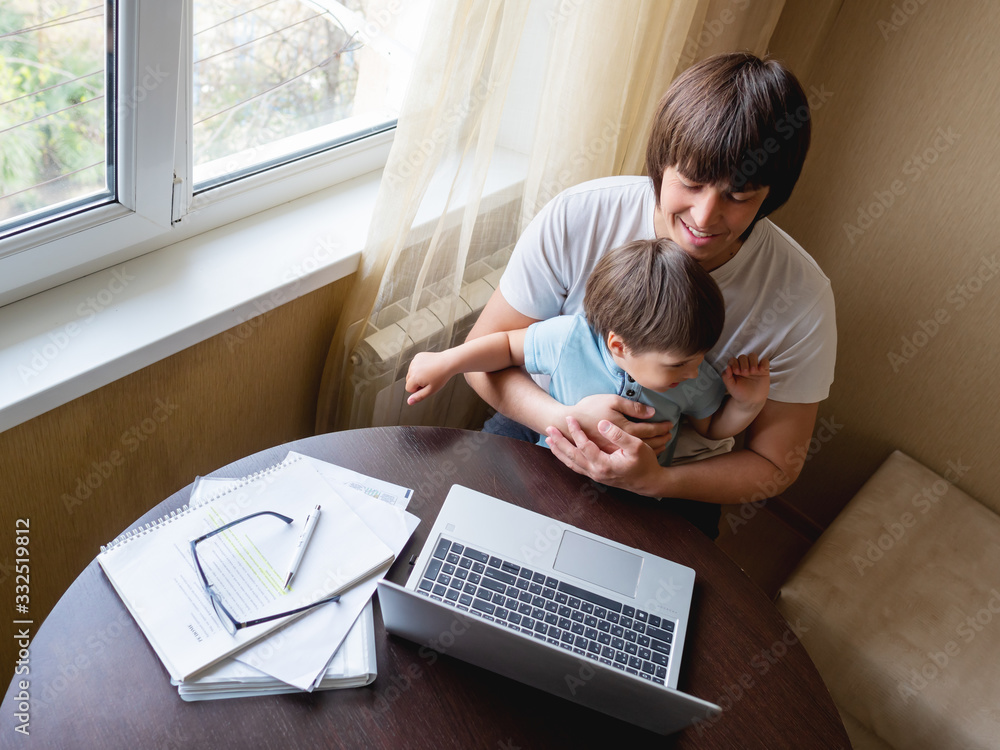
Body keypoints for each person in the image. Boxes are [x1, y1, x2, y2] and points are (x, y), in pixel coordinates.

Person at [461, 52, 836, 538]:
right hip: (540, 423)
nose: (704, 217)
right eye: (691, 183)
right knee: (467, 547)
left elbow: (775, 464)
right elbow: (481, 357)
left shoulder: (801, 297)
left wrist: (658, 480)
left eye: (739, 196)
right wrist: (565, 419)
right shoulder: (581, 215)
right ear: (661, 162)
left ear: (772, 195)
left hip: (679, 482)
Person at [406, 239, 771, 467]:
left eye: (700, 357)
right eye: (678, 364)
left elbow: (710, 427)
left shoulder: (691, 377)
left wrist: (747, 404)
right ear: (618, 346)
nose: (694, 371)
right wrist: (447, 361)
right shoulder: (570, 338)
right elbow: (504, 345)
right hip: (551, 469)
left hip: (636, 495)